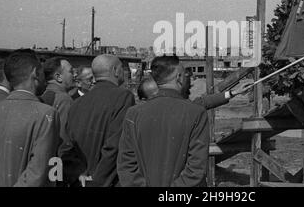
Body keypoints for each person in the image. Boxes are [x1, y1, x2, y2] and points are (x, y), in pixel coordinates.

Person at [117, 55, 209, 187]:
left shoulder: (134, 113)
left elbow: (126, 165)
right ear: (179, 78)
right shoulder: (196, 113)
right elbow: (196, 169)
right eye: (186, 75)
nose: (190, 79)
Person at [0, 51, 60, 186]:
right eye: (42, 73)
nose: (45, 79)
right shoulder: (46, 114)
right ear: (35, 73)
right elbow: (37, 172)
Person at [59, 54, 135, 187]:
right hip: (105, 181)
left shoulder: (77, 102)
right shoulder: (123, 97)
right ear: (115, 70)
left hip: (80, 179)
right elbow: (115, 146)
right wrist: (97, 182)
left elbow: (67, 146)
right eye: (122, 68)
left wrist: (78, 176)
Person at [41, 57, 75, 138]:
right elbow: (64, 136)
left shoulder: (44, 95)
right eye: (71, 71)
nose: (74, 75)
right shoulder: (64, 100)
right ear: (58, 77)